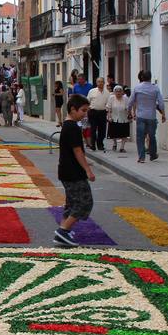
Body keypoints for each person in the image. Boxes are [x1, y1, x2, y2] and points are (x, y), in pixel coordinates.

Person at [53, 95, 95, 247]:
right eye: (83, 110)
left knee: (71, 203)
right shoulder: (73, 127)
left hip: (66, 171)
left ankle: (63, 229)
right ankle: (63, 231)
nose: (85, 114)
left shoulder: (67, 125)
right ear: (73, 109)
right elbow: (78, 151)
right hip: (73, 172)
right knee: (84, 202)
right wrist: (88, 170)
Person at [129, 69, 165, 162]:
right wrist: (163, 114)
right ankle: (153, 155)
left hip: (140, 115)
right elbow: (161, 102)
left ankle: (141, 157)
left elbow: (131, 101)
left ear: (141, 77)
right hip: (151, 116)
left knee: (140, 137)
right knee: (152, 136)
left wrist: (129, 112)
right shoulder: (155, 88)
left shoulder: (137, 88)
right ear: (150, 77)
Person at [86, 77, 110, 152]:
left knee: (102, 130)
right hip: (93, 112)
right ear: (96, 83)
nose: (100, 83)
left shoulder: (107, 92)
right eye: (98, 82)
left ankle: (100, 144)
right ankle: (93, 145)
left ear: (104, 83)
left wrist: (108, 112)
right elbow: (87, 101)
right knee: (93, 129)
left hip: (102, 113)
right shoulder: (92, 91)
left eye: (101, 82)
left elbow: (108, 104)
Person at [107, 84, 132, 153]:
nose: (118, 93)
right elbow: (109, 108)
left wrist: (129, 115)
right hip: (114, 117)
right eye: (117, 91)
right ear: (114, 92)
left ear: (122, 92)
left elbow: (128, 108)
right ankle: (115, 143)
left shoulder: (125, 98)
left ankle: (122, 147)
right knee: (113, 133)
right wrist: (109, 116)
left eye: (120, 91)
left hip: (124, 117)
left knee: (124, 133)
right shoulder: (111, 98)